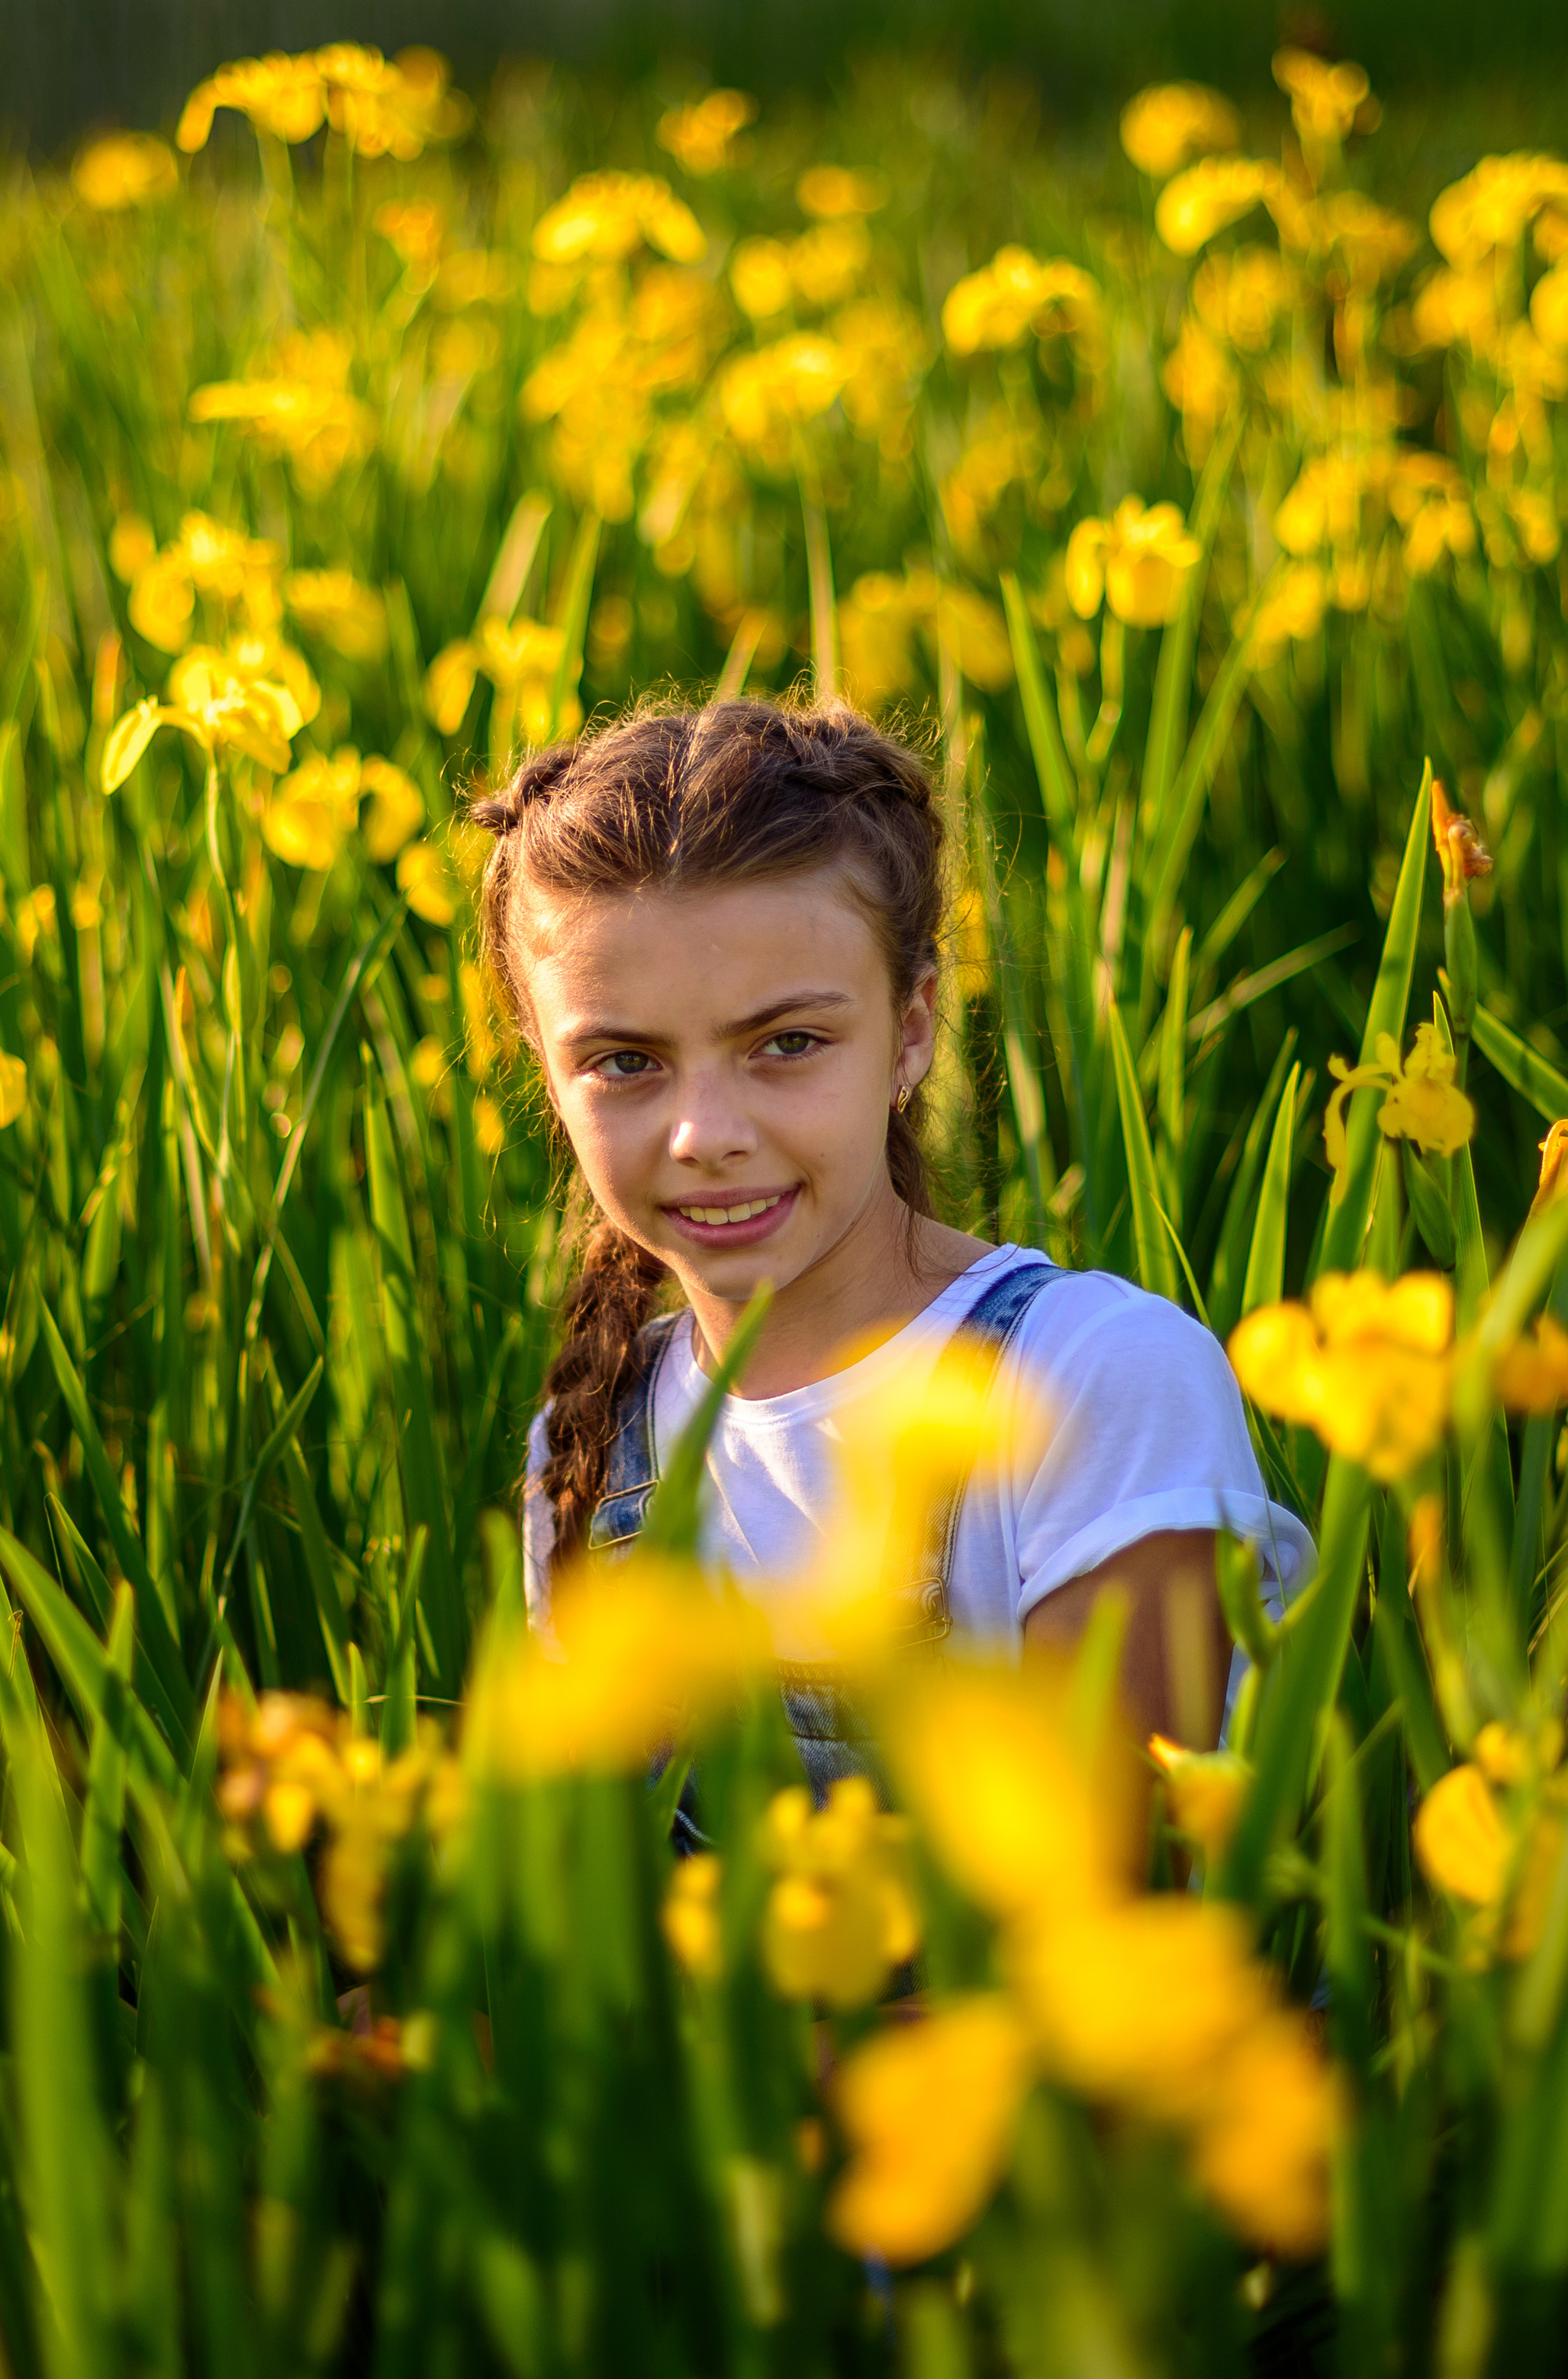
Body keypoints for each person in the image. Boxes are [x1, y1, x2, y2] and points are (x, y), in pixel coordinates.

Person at [474, 695, 1310, 1785]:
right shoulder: (585, 1448)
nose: (705, 1136)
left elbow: (1097, 1903)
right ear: (544, 1065)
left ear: (912, 1030)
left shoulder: (1091, 1385)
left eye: (786, 1041)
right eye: (626, 1061)